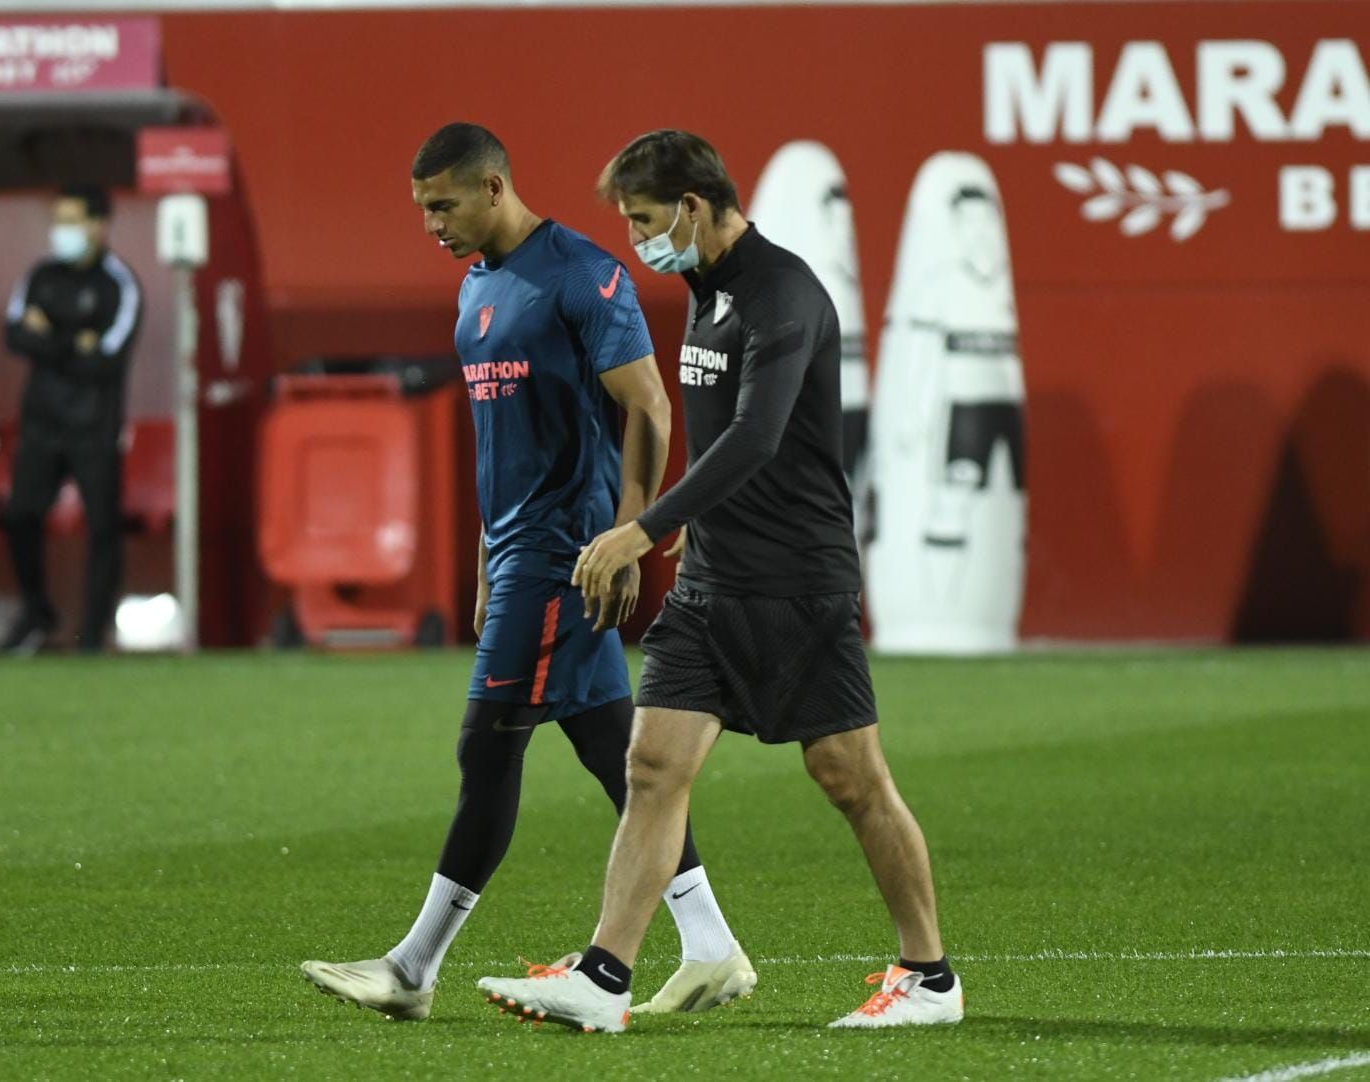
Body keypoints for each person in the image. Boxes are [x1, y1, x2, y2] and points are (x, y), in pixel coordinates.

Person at [478, 130, 963, 1032]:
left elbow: (755, 438)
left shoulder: (784, 294)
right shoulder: (707, 290)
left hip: (796, 583)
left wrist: (641, 529)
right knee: (653, 763)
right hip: (711, 585)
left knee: (850, 775)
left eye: (646, 220)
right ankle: (605, 976)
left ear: (695, 207)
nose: (636, 241)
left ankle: (930, 978)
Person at [301, 123, 753, 1022]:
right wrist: (481, 559)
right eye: (422, 207)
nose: (431, 223)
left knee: (487, 746)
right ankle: (710, 946)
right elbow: (496, 447)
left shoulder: (582, 275)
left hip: (566, 557)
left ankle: (413, 967)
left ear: (495, 187)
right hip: (515, 557)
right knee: (607, 748)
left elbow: (650, 405)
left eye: (444, 204)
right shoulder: (474, 291)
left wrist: (627, 534)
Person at [0, 184, 142, 654]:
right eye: (57, 220)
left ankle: (92, 632)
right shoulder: (40, 275)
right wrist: (73, 341)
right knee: (20, 514)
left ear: (99, 226)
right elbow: (14, 334)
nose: (62, 231)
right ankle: (36, 610)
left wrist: (50, 338)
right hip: (41, 423)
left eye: (72, 220)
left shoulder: (119, 284)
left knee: (102, 526)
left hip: (93, 426)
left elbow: (105, 361)